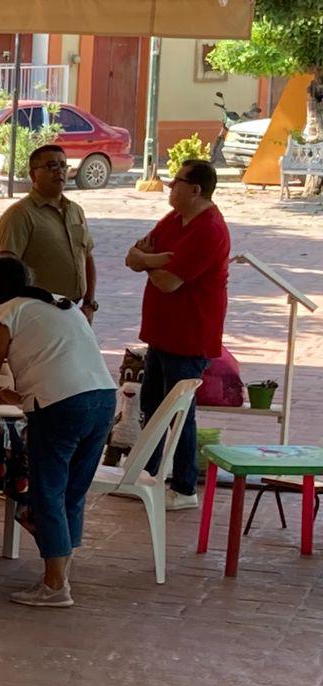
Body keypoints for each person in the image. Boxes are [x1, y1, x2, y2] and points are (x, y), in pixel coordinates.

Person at [0, 258, 116, 609]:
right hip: (102, 398)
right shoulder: (61, 303)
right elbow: (57, 358)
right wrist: (20, 395)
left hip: (60, 406)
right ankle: (60, 574)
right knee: (72, 491)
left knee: (47, 492)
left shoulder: (5, 314)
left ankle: (55, 585)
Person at [126, 158, 231, 511]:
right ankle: (145, 474)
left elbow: (169, 282)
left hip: (189, 336)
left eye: (177, 183)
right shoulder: (174, 219)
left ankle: (184, 486)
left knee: (179, 413)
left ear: (195, 189)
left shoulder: (209, 229)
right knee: (152, 406)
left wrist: (149, 260)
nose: (170, 188)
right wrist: (154, 257)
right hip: (161, 332)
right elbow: (132, 255)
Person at [0, 144, 99, 322]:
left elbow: (87, 257)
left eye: (63, 165)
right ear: (33, 174)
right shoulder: (20, 214)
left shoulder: (75, 210)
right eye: (51, 166)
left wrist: (89, 304)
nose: (59, 171)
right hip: (38, 313)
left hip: (75, 311)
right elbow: (7, 272)